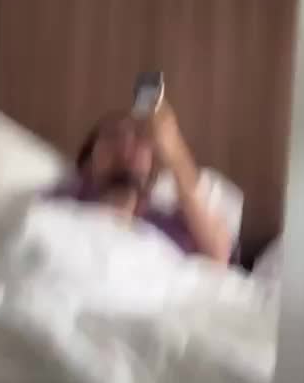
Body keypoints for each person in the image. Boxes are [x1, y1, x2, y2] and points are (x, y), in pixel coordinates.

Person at [54, 105, 237, 265]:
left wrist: (175, 153)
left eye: (139, 138)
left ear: (150, 165)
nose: (126, 145)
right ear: (87, 163)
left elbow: (218, 256)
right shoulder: (61, 205)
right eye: (112, 136)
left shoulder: (164, 227)